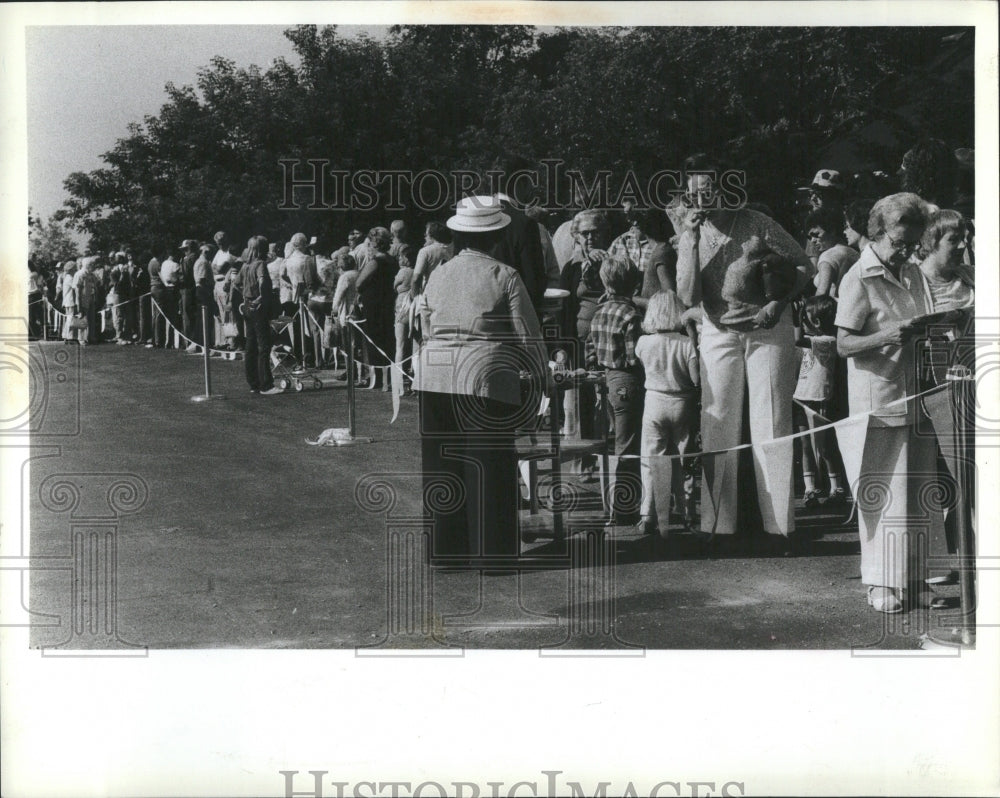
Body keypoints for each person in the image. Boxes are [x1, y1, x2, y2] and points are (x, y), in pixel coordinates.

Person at [676, 160, 814, 553]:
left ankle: (780, 528)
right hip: (718, 329)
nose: (703, 199)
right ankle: (717, 525)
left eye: (709, 190)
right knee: (717, 422)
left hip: (767, 329)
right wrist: (688, 239)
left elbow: (805, 264)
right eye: (695, 193)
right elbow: (687, 297)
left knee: (771, 420)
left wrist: (779, 301)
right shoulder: (692, 232)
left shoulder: (757, 222)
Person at [417, 195, 549, 571]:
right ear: (496, 237)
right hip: (484, 375)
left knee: (443, 465)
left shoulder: (438, 273)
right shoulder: (504, 275)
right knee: (489, 465)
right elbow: (528, 334)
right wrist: (543, 376)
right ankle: (492, 554)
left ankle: (447, 550)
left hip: (435, 374)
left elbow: (425, 325)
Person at [835, 192, 942, 613]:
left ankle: (915, 580)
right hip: (876, 400)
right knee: (881, 494)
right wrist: (887, 336)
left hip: (916, 396)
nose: (906, 250)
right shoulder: (857, 277)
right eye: (899, 242)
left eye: (912, 243)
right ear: (877, 232)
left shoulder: (914, 273)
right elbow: (843, 344)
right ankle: (880, 582)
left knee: (917, 494)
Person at [585, 255, 645, 526]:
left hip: (606, 380)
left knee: (615, 442)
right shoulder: (631, 314)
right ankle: (626, 507)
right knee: (629, 445)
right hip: (627, 380)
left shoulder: (599, 312)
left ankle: (616, 504)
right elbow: (634, 358)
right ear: (633, 283)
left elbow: (589, 350)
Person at [635, 290, 700, 537]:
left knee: (650, 462)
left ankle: (648, 515)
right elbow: (696, 380)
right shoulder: (685, 344)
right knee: (683, 463)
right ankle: (686, 514)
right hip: (681, 403)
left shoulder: (643, 343)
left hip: (653, 402)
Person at [793, 296, 847, 507]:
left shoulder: (828, 341)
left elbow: (798, 339)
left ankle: (837, 488)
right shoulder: (816, 338)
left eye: (806, 318)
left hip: (820, 398)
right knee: (805, 445)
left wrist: (797, 318)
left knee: (825, 447)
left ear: (816, 322)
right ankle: (810, 489)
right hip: (802, 397)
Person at [233, 236, 282, 395]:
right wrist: (262, 296)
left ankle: (253, 382)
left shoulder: (246, 266)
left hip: (247, 305)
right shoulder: (260, 264)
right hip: (258, 306)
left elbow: (235, 283)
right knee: (263, 345)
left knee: (251, 344)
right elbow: (262, 280)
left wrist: (246, 296)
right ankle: (266, 384)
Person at [355, 227, 398, 390]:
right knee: (387, 340)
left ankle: (376, 378)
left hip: (373, 304)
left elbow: (359, 282)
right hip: (387, 302)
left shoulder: (375, 262)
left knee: (373, 340)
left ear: (375, 244)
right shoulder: (392, 261)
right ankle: (387, 377)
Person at [804, 207, 859, 298]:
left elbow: (821, 295)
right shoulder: (853, 252)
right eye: (810, 237)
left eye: (816, 234)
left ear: (832, 230)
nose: (813, 240)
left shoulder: (828, 256)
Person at [410, 221, 452, 296]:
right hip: (447, 293)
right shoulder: (452, 250)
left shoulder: (425, 251)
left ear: (432, 236)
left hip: (429, 294)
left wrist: (413, 299)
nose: (424, 237)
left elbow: (416, 279)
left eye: (426, 234)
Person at [73, 256, 101, 345]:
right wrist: (78, 303)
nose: (94, 266)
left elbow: (96, 285)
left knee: (91, 319)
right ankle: (82, 338)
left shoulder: (92, 275)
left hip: (91, 298)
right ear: (88, 265)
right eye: (92, 265)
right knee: (83, 319)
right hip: (83, 299)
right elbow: (77, 290)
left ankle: (91, 337)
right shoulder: (80, 274)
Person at [178, 239, 200, 351]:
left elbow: (185, 275)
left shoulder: (190, 258)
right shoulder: (189, 258)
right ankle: (189, 341)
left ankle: (191, 342)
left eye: (186, 249)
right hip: (186, 289)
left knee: (188, 316)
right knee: (187, 315)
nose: (184, 252)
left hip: (188, 288)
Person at [59, 260, 79, 343]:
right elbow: (76, 287)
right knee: (71, 319)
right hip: (70, 300)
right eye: (75, 269)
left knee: (69, 318)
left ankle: (67, 336)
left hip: (67, 301)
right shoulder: (70, 278)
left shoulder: (67, 277)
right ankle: (70, 337)